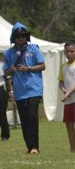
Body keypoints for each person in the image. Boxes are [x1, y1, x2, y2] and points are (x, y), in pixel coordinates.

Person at [3, 22, 46, 154]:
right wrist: (10, 70)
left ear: (26, 37)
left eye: (23, 36)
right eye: (18, 36)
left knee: (32, 116)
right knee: (24, 118)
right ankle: (29, 146)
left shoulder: (34, 49)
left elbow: (43, 66)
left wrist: (28, 68)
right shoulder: (8, 53)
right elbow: (5, 73)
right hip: (20, 90)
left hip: (34, 88)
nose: (21, 38)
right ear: (13, 38)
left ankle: (35, 147)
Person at [0, 55, 10, 141]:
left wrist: (10, 92)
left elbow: (7, 79)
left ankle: (5, 135)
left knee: (2, 114)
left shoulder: (2, 65)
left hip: (0, 89)